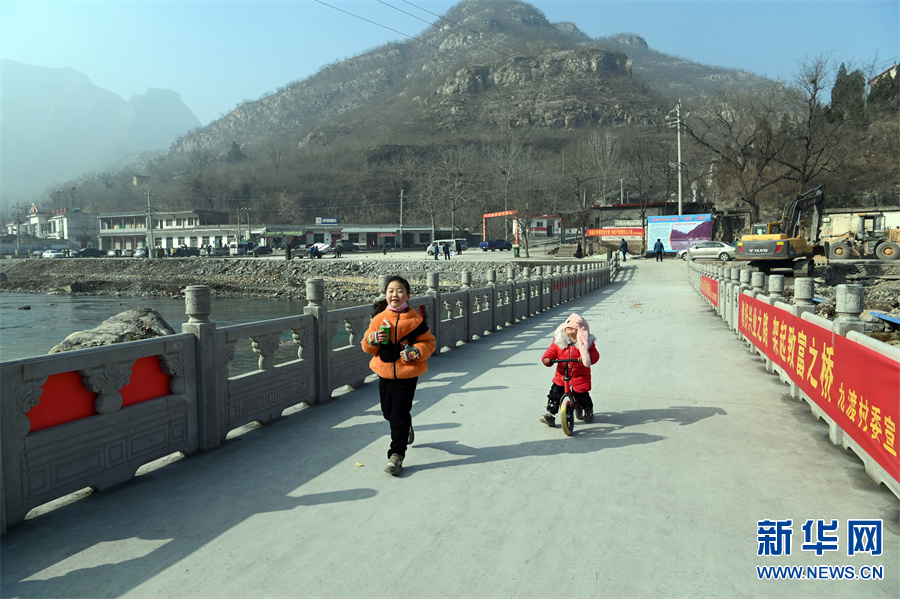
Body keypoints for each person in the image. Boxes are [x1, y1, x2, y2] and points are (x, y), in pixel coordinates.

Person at [362, 276, 436, 476]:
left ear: (408, 296)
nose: (395, 295)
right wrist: (373, 338)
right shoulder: (379, 319)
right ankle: (406, 427)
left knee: (398, 415)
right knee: (388, 412)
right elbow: (367, 346)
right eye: (391, 291)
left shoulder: (415, 321)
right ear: (385, 295)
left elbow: (429, 343)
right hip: (384, 373)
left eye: (400, 291)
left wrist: (415, 352)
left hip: (406, 374)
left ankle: (396, 456)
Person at [539, 313, 600, 427]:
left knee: (582, 394)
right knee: (555, 393)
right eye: (567, 327)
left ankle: (588, 410)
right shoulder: (559, 341)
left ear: (580, 331)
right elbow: (552, 350)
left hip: (579, 375)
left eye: (573, 328)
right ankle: (550, 414)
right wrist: (548, 358)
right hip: (562, 374)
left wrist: (587, 358)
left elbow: (595, 354)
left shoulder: (587, 343)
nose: (569, 329)